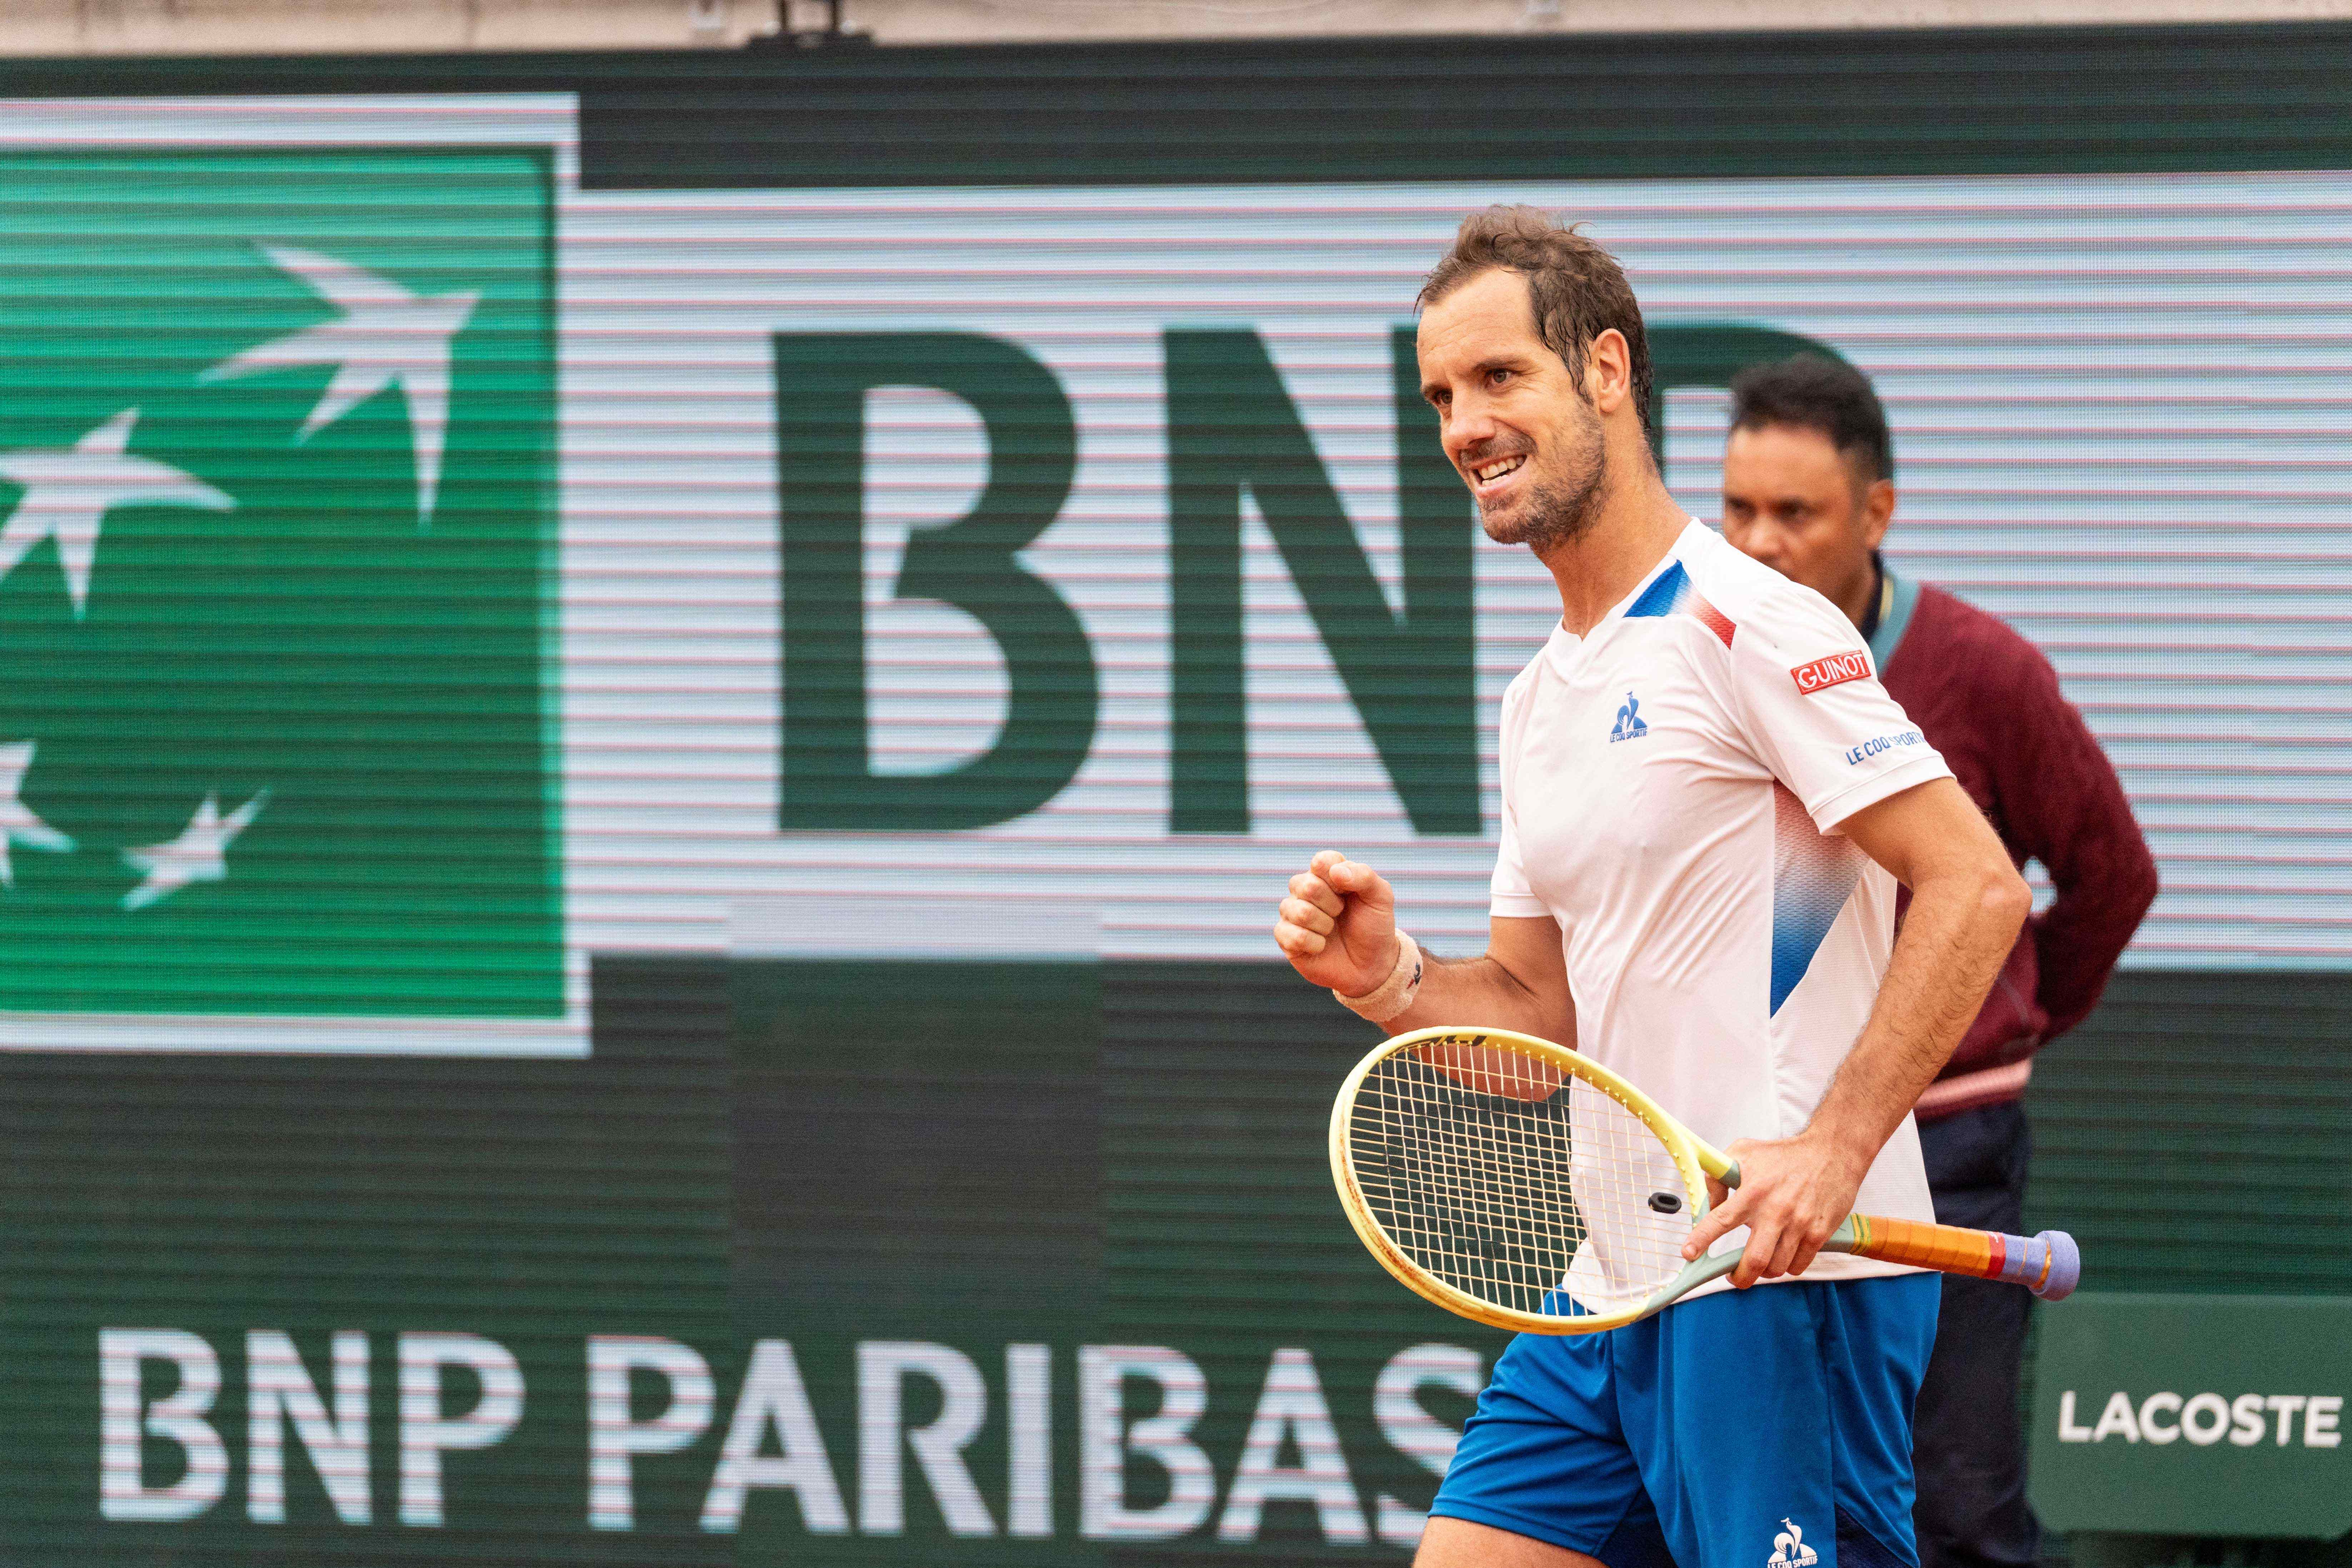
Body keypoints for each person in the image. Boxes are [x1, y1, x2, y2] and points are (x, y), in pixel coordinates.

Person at [1272, 204, 2030, 1568]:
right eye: (1441, 393)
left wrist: (1835, 1145)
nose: (1464, 426)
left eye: (1500, 377)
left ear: (1607, 372)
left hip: (1779, 1283)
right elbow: (1538, 1023)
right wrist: (1390, 981)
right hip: (1611, 1286)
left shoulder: (1750, 619)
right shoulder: (1536, 699)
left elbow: (1976, 887)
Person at [1720, 354, 2158, 1568]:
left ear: (1877, 512)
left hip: (1949, 1152)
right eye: (1738, 507)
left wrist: (1994, 1021)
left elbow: (2113, 878)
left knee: (1955, 1508)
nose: (1760, 542)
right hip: (1741, 1164)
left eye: (1795, 514)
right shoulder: (1688, 664)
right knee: (1764, 1511)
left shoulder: (1987, 672)